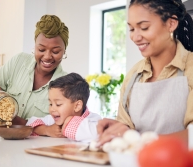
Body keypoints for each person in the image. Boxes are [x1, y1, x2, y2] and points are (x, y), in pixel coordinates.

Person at [97, 0, 193, 146]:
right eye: (132, 29)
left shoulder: (190, 69)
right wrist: (119, 130)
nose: (135, 37)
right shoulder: (133, 76)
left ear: (171, 24)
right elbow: (126, 128)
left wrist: (139, 140)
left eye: (144, 27)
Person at [0, 15, 69, 137]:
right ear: (34, 47)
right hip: (0, 141)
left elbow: (58, 128)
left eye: (55, 51)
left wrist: (16, 120)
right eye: (41, 49)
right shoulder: (19, 61)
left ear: (64, 51)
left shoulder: (66, 85)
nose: (47, 56)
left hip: (35, 148)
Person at [26, 73, 102, 142]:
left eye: (58, 104)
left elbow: (98, 134)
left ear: (77, 106)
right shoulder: (53, 120)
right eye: (50, 104)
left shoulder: (94, 120)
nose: (52, 109)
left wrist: (68, 122)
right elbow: (30, 125)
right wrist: (47, 130)